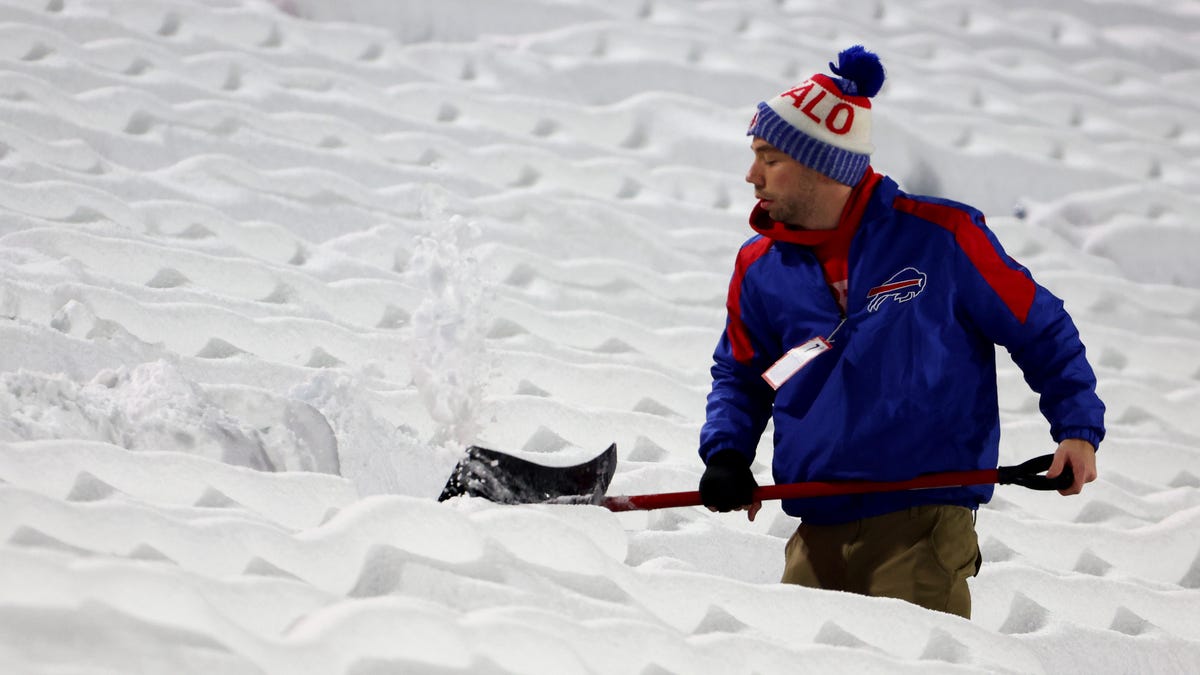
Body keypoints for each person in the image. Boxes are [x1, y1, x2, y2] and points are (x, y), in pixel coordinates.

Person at [697, 45, 1105, 619]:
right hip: (816, 524)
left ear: (822, 164)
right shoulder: (760, 266)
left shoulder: (942, 238)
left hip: (923, 522)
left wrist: (1078, 428)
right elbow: (744, 375)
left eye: (770, 157)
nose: (751, 174)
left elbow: (1040, 328)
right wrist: (727, 453)